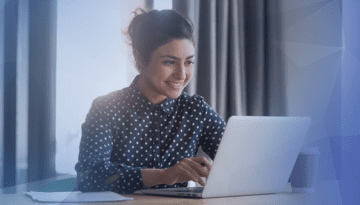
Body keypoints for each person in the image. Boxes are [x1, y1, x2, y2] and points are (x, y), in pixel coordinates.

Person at [75, 8, 226, 194]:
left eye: (188, 62)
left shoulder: (196, 110)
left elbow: (238, 160)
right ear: (139, 57)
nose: (182, 75)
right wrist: (163, 176)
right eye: (169, 62)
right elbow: (89, 177)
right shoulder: (106, 108)